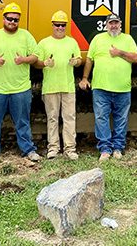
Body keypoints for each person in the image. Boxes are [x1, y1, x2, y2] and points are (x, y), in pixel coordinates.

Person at [0, 3, 41, 164]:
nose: (12, 22)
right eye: (10, 19)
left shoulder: (26, 36)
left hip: (20, 88)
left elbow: (35, 56)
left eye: (16, 19)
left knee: (23, 122)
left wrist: (23, 59)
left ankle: (28, 150)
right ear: (3, 18)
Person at [79, 13, 137, 161]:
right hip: (100, 87)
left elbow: (136, 58)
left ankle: (118, 147)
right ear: (106, 25)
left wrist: (119, 53)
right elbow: (89, 60)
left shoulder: (127, 39)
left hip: (122, 88)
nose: (113, 26)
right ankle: (105, 149)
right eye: (111, 23)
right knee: (101, 118)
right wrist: (85, 78)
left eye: (116, 23)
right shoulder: (98, 39)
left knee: (121, 119)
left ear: (120, 24)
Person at [35, 10, 82, 161]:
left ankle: (70, 149)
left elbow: (79, 59)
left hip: (68, 87)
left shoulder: (72, 42)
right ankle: (53, 148)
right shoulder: (44, 43)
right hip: (50, 87)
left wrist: (76, 62)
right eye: (58, 25)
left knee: (69, 118)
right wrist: (44, 63)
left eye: (63, 25)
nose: (60, 28)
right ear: (52, 25)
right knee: (52, 118)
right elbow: (36, 63)